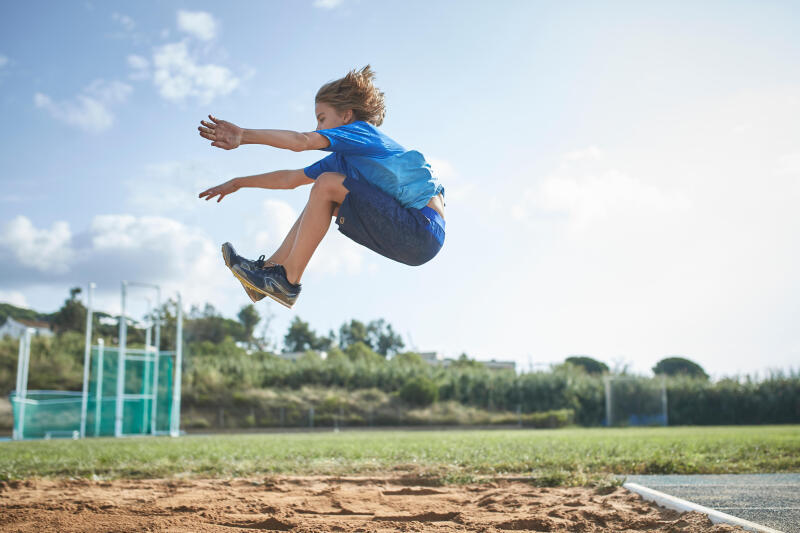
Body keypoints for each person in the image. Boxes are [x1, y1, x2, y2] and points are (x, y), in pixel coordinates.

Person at [197, 65, 445, 308]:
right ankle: (270, 272)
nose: (318, 128)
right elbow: (290, 179)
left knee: (326, 185)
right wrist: (238, 183)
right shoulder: (342, 160)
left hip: (421, 229)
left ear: (346, 116)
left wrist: (244, 135)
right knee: (322, 197)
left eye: (322, 118)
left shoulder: (360, 132)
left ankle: (287, 281)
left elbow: (301, 141)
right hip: (411, 240)